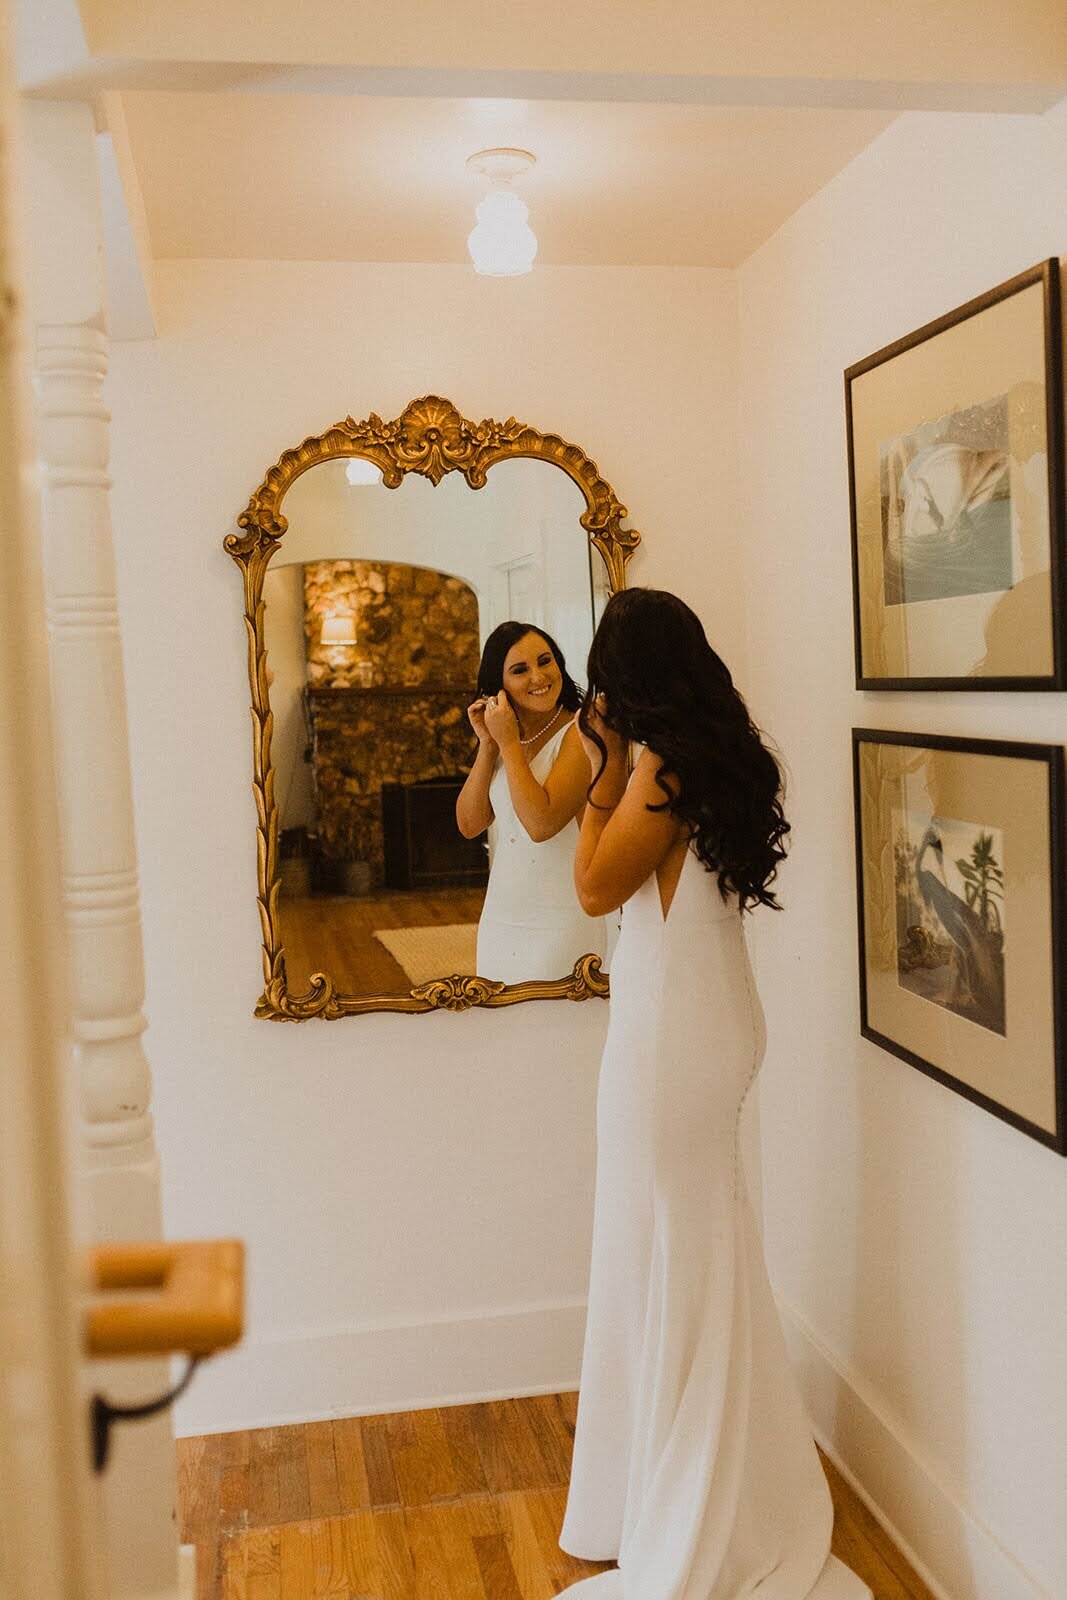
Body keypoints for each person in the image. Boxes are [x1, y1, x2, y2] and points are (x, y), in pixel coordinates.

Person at [559, 588, 870, 1599]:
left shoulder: (656, 766)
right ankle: (703, 1480)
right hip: (713, 1013)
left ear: (627, 678)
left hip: (668, 1034)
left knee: (672, 1252)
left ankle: (696, 1497)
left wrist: (601, 772)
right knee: (697, 1241)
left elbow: (596, 888)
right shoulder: (723, 751)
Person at [456, 620, 606, 983]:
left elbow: (541, 824)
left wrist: (508, 745)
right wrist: (490, 745)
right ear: (498, 685)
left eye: (545, 661)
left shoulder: (582, 730)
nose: (538, 677)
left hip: (561, 919)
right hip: (502, 917)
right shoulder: (504, 737)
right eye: (520, 670)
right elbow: (469, 824)